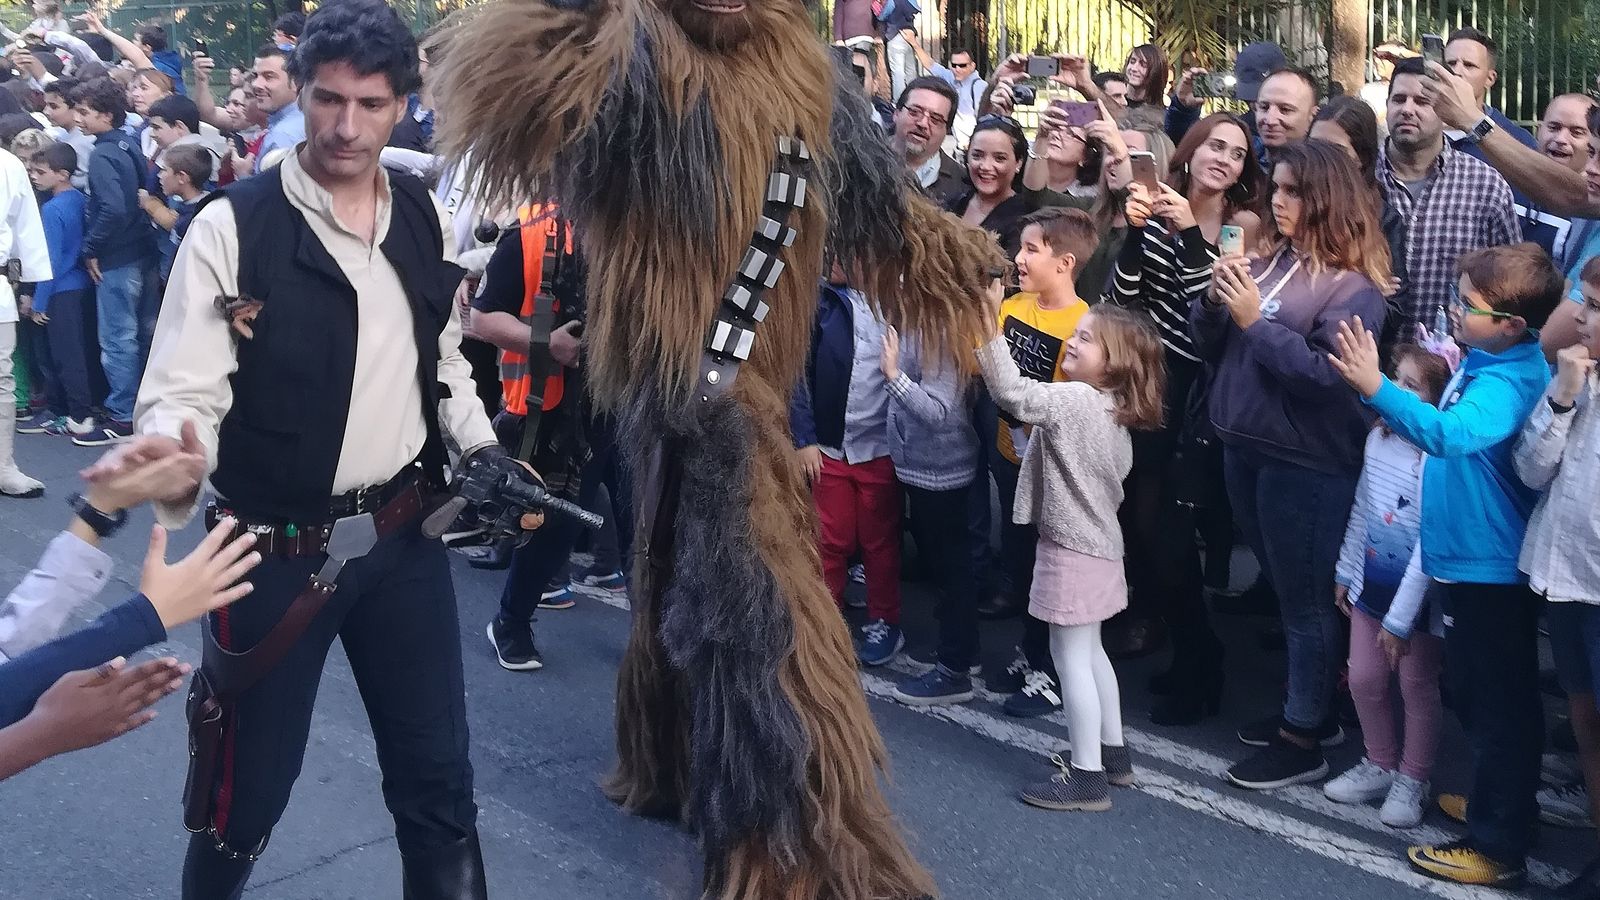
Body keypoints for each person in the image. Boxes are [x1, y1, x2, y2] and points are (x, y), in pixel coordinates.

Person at [101, 2, 531, 894]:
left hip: (404, 543)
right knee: (241, 801)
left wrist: (480, 446)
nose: (346, 126)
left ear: (401, 105)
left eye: (370, 105)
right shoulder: (234, 226)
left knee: (440, 787)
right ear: (301, 93)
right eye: (329, 99)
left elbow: (442, 356)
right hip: (266, 554)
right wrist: (174, 450)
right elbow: (183, 388)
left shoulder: (420, 213)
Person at [1329, 242, 1563, 888]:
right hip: (1470, 565)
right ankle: (1503, 804)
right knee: (1488, 700)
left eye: (1468, 304)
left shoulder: (1508, 382)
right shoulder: (1491, 360)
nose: (1455, 311)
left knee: (1495, 707)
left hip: (1490, 572)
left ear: (1512, 326)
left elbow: (1448, 435)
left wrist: (1376, 387)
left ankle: (1497, 843)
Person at [1193, 140, 1390, 790]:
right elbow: (1210, 344)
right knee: (1287, 593)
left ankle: (1301, 740)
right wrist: (1215, 304)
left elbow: (1325, 377)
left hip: (1304, 465)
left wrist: (1254, 321)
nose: (1277, 201)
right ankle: (1311, 712)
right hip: (1245, 448)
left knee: (1306, 605)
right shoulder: (1271, 259)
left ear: (1326, 200)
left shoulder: (1355, 288)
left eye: (1292, 191)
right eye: (1274, 188)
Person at [977, 290, 1165, 812]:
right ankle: (1112, 754)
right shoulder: (1111, 408)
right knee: (1092, 653)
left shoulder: (1078, 400)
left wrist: (988, 328)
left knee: (1069, 660)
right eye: (1076, 334)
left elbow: (1012, 392)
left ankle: (1086, 776)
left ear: (1115, 361)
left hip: (1071, 550)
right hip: (1101, 550)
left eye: (1087, 338)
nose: (1073, 342)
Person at [1107, 112, 1261, 718]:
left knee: (1170, 533)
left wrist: (1192, 232)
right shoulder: (1155, 206)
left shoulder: (1242, 225)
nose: (1224, 158)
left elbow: (1213, 310)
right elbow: (1123, 300)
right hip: (1145, 382)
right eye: (1215, 146)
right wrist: (1134, 232)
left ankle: (1203, 664)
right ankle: (1184, 651)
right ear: (1191, 152)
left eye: (1238, 153)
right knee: (1141, 526)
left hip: (1197, 392)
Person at [1323, 344, 1452, 828]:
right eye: (1394, 377)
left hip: (1417, 599)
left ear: (1436, 403)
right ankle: (1379, 762)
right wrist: (1345, 570)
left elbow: (1430, 543)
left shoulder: (1434, 459)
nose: (1395, 389)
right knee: (1363, 678)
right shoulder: (1377, 440)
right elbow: (1363, 507)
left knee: (1416, 685)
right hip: (1371, 585)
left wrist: (1401, 619)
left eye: (1411, 385)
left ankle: (1413, 778)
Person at [982, 208, 1098, 717]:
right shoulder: (1013, 305)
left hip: (1053, 473)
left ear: (1065, 263)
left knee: (1052, 573)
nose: (1018, 259)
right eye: (1020, 248)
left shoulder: (1083, 326)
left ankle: (1052, 674)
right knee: (1024, 563)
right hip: (1012, 458)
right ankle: (1031, 656)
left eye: (1032, 250)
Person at [1513, 259, 1600, 897]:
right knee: (1586, 719)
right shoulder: (1575, 377)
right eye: (1584, 302)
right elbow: (1531, 469)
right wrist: (1563, 398)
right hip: (1566, 578)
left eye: (1595, 308)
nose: (1581, 318)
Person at [793, 264, 904, 665]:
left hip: (880, 449)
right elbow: (799, 374)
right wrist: (805, 439)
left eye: (846, 252)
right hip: (830, 449)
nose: (832, 260)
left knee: (880, 542)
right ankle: (827, 618)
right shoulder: (822, 302)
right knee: (829, 539)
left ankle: (885, 620)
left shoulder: (900, 302)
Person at [1379, 57, 1519, 339]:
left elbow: (1512, 283)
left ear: (1444, 111)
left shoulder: (1485, 187)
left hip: (1455, 358)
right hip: (1369, 356)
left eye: (1422, 101)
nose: (1407, 109)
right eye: (1399, 99)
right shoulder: (1357, 179)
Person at [883, 317, 984, 704]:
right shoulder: (916, 319)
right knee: (946, 568)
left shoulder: (939, 329)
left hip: (941, 471)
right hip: (924, 467)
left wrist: (894, 376)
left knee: (953, 571)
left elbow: (940, 412)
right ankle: (963, 652)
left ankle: (954, 671)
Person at [71, 75, 154, 447]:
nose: (78, 118)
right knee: (142, 335)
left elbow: (114, 208)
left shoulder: (103, 153)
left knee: (118, 339)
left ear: (106, 115)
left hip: (117, 256)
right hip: (141, 249)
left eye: (84, 111)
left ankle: (123, 415)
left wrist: (89, 248)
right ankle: (143, 410)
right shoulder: (128, 141)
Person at [19, 140, 93, 438]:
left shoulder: (51, 209)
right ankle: (71, 411)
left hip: (59, 290)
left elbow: (49, 260)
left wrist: (39, 302)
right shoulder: (79, 200)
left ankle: (78, 416)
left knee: (65, 357)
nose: (34, 176)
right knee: (77, 352)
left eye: (40, 172)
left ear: (62, 174)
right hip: (79, 284)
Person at [0, 144, 50, 501]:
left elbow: (26, 226)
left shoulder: (7, 165)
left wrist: (29, 284)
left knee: (1, 377)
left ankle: (3, 465)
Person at [945, 116, 1066, 261]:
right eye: (977, 156)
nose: (986, 166)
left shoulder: (1026, 219)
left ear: (1018, 163)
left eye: (999, 158)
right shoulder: (952, 203)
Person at [1517, 93, 1596, 258]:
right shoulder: (1507, 179)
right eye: (1554, 128)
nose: (1560, 139)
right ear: (1539, 130)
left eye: (1576, 132)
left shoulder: (1594, 206)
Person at [1443, 27, 1536, 158]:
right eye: (1451, 63)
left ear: (1490, 79)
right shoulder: (1416, 126)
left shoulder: (1517, 140)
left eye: (1469, 65)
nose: (1456, 71)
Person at [141, 142, 211, 288]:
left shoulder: (195, 219)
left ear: (182, 177)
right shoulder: (188, 209)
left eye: (165, 170)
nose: (159, 175)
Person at [890, 75, 965, 205]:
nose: (923, 123)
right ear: (896, 113)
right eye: (914, 112)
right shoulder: (862, 160)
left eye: (935, 119)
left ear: (947, 130)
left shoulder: (961, 186)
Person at [250, 43, 302, 173]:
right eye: (255, 76)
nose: (256, 84)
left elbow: (279, 186)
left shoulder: (282, 137)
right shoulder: (307, 119)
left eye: (269, 77)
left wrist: (243, 175)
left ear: (296, 82)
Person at [1254, 67, 1319, 167]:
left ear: (1313, 116)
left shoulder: (1328, 172)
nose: (1270, 120)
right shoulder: (1240, 164)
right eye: (1264, 107)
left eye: (1285, 109)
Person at [39, 78, 88, 188]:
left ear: (74, 107)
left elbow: (87, 182)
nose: (46, 111)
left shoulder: (82, 142)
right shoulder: (64, 135)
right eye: (46, 105)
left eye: (53, 106)